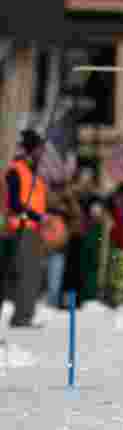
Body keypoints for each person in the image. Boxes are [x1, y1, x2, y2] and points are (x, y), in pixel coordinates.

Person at [2, 130, 49, 328]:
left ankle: (26, 314)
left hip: (35, 228)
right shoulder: (16, 170)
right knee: (25, 273)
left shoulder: (33, 172)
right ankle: (21, 317)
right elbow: (13, 202)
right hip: (23, 227)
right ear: (31, 149)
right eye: (39, 149)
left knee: (33, 273)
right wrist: (36, 216)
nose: (42, 153)